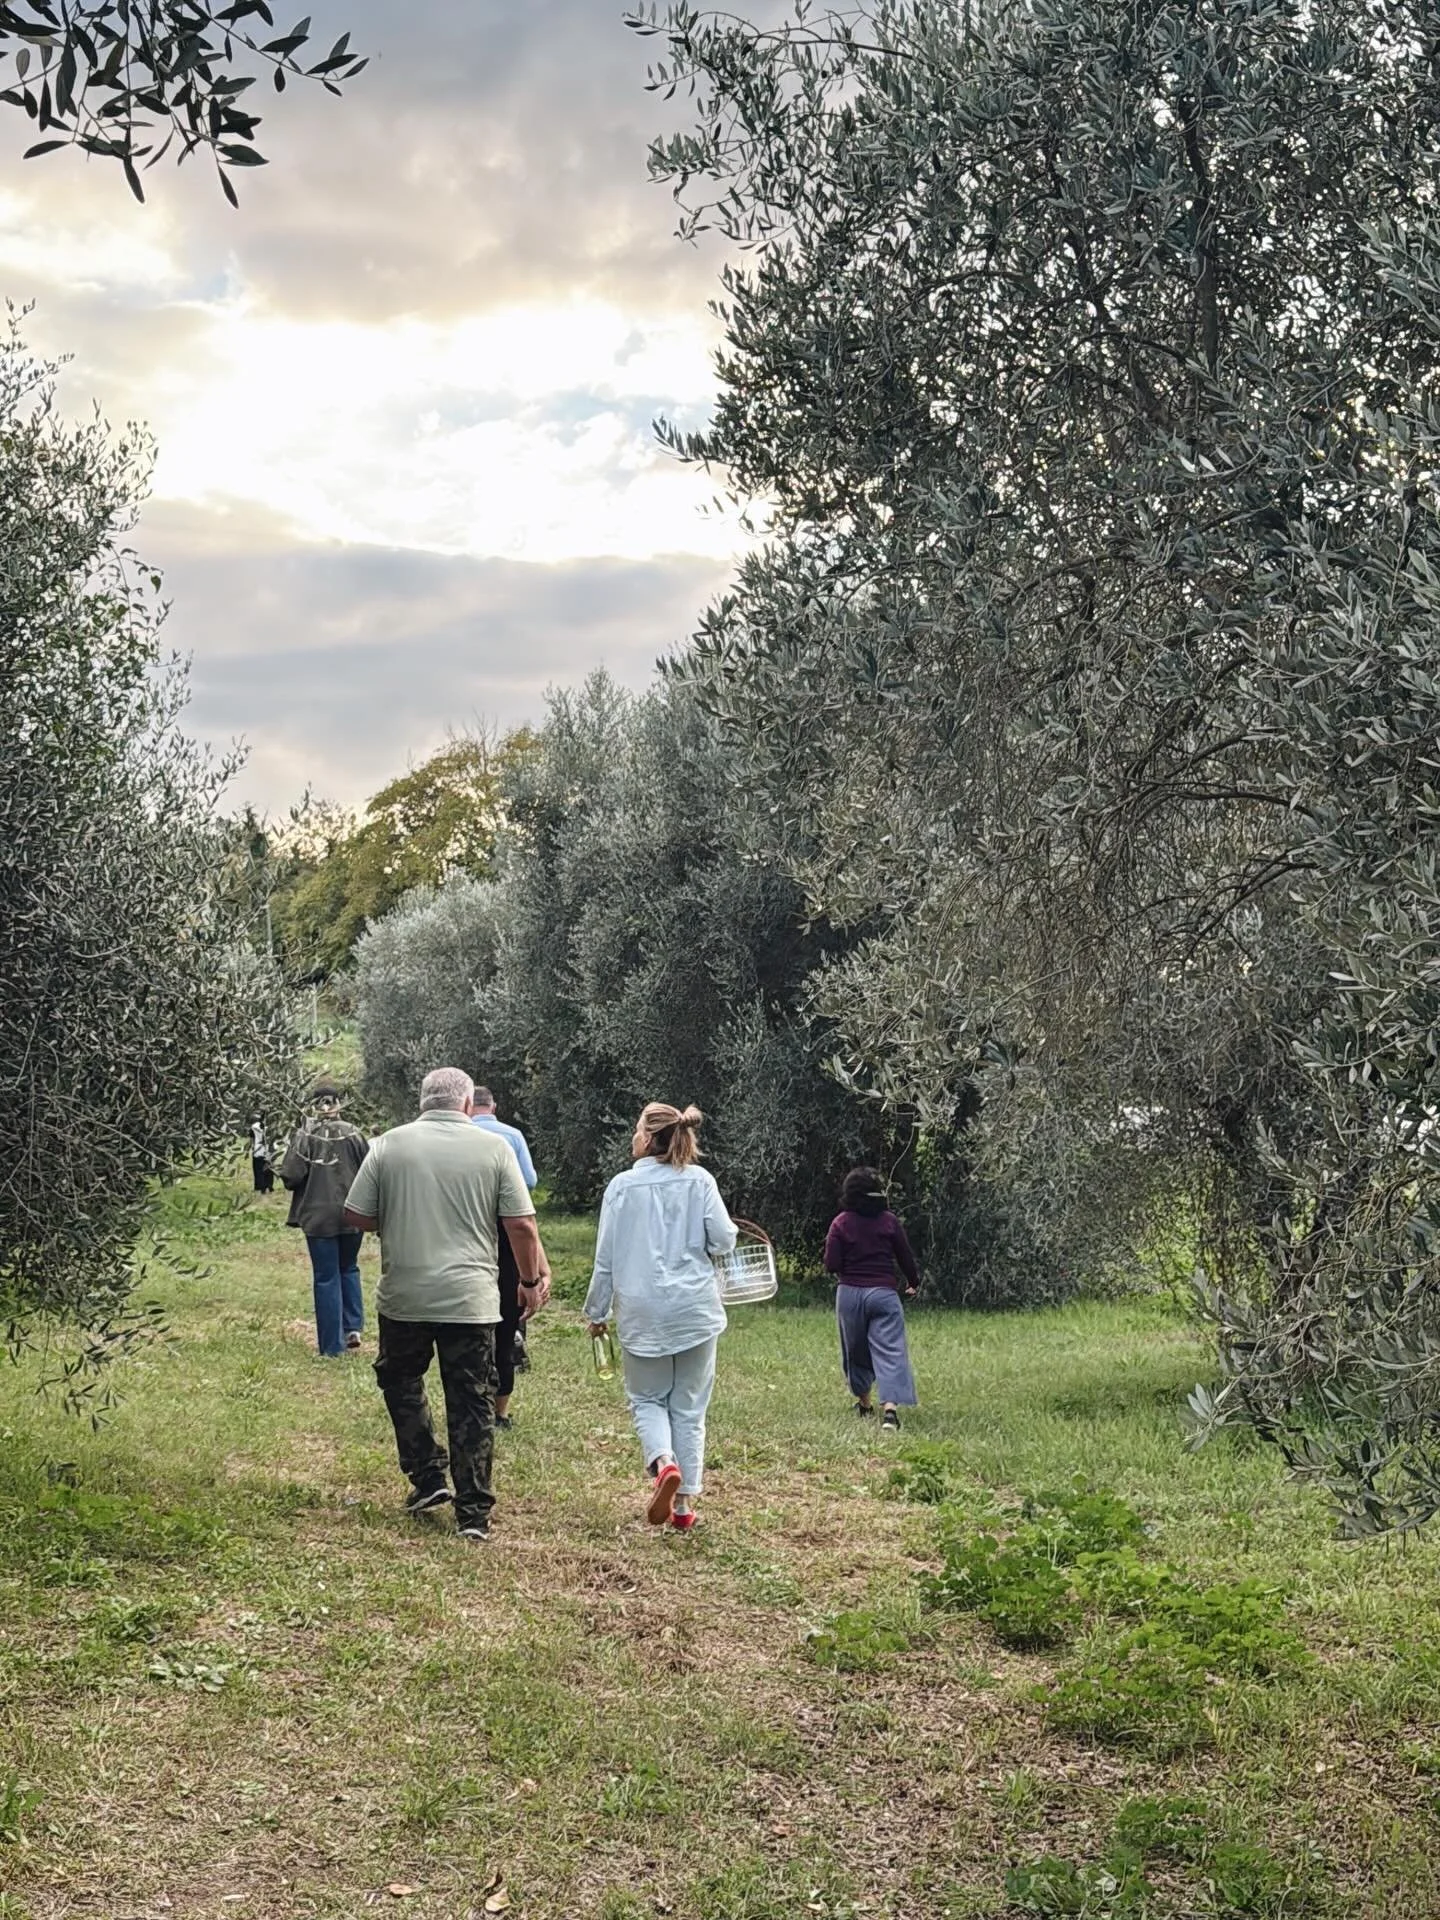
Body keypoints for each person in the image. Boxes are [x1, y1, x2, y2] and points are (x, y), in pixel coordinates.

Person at [342, 1067, 549, 1545]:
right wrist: (529, 1279)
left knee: (400, 1379)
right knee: (473, 1398)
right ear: (465, 1106)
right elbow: (521, 1225)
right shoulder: (494, 1148)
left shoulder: (388, 1145)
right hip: (471, 1299)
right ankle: (473, 1511)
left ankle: (428, 1476)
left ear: (422, 1102)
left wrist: (397, 1217)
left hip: (405, 1294)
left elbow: (355, 1213)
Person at [583, 1103, 737, 1532]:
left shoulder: (622, 1187)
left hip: (642, 1310)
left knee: (648, 1399)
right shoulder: (701, 1181)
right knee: (689, 1407)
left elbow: (606, 1259)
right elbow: (724, 1240)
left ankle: (663, 1463)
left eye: (636, 1130)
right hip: (695, 1310)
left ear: (648, 1139)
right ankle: (684, 1506)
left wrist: (596, 1312)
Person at [824, 1166, 920, 1432]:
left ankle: (865, 1404)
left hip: (850, 1294)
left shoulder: (840, 1223)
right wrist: (913, 1282)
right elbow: (905, 1257)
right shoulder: (889, 1221)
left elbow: (831, 1264)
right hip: (884, 1294)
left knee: (855, 1350)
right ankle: (890, 1412)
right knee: (891, 1350)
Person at [278, 1083, 370, 1357]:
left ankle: (331, 1347)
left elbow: (291, 1175)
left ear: (313, 1105)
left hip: (318, 1218)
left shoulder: (306, 1134)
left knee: (326, 1276)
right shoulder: (354, 1133)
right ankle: (352, 1327)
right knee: (349, 1267)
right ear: (340, 1104)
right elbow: (370, 1169)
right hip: (352, 1213)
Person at [470, 1086, 540, 1428]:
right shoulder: (511, 1136)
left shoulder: (461, 1134)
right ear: (493, 1106)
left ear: (468, 1105)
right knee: (507, 1315)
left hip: (468, 1234)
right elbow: (529, 1181)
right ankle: (501, 1412)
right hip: (508, 1231)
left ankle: (473, 1403)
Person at [249, 1114, 274, 1194]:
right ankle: (269, 1186)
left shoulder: (254, 1127)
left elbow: (252, 1139)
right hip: (268, 1151)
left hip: (258, 1150)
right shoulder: (271, 1127)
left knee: (258, 1170)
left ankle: (261, 1187)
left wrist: (252, 1148)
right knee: (269, 1169)